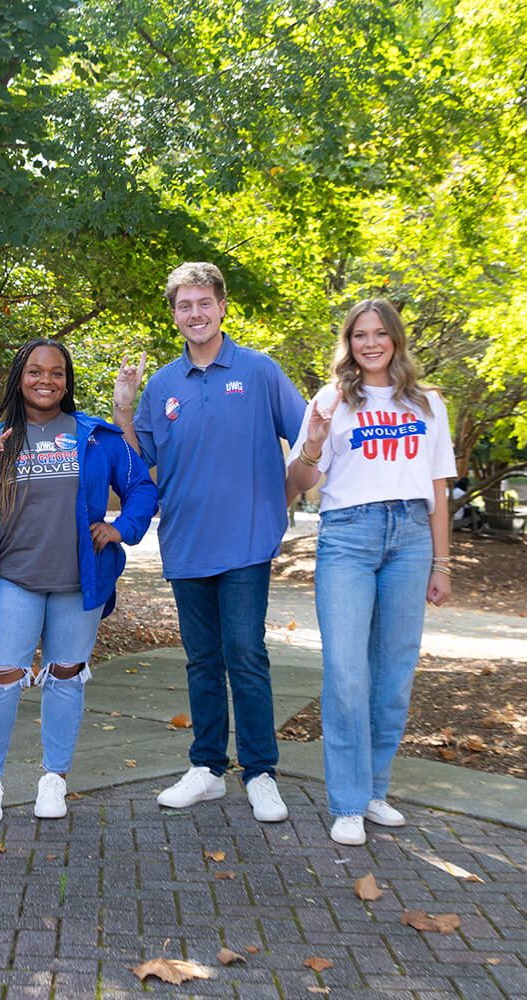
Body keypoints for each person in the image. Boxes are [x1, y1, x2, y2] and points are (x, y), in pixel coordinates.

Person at [111, 262, 306, 823]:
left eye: (203, 303)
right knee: (201, 660)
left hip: (246, 541)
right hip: (186, 542)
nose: (194, 313)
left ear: (222, 307)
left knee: (245, 654)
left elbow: (308, 435)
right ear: (174, 315)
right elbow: (136, 464)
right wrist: (124, 406)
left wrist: (284, 496)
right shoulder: (164, 385)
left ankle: (262, 772)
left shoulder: (260, 370)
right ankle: (207, 769)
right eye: (183, 305)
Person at [0, 339, 158, 824]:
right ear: (20, 377)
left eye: (57, 373)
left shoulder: (95, 437)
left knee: (65, 677)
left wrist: (120, 528)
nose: (46, 381)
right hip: (12, 580)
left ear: (67, 381)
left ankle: (53, 781)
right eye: (35, 372)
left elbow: (142, 486)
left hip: (77, 583)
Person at [284, 298, 456, 846]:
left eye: (381, 333)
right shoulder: (332, 399)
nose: (371, 343)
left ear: (397, 340)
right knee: (346, 672)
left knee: (393, 671)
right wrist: (311, 442)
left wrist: (443, 562)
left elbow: (438, 488)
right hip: (348, 538)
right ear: (349, 342)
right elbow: (303, 482)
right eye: (360, 334)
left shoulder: (428, 403)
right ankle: (348, 803)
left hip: (410, 537)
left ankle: (375, 790)